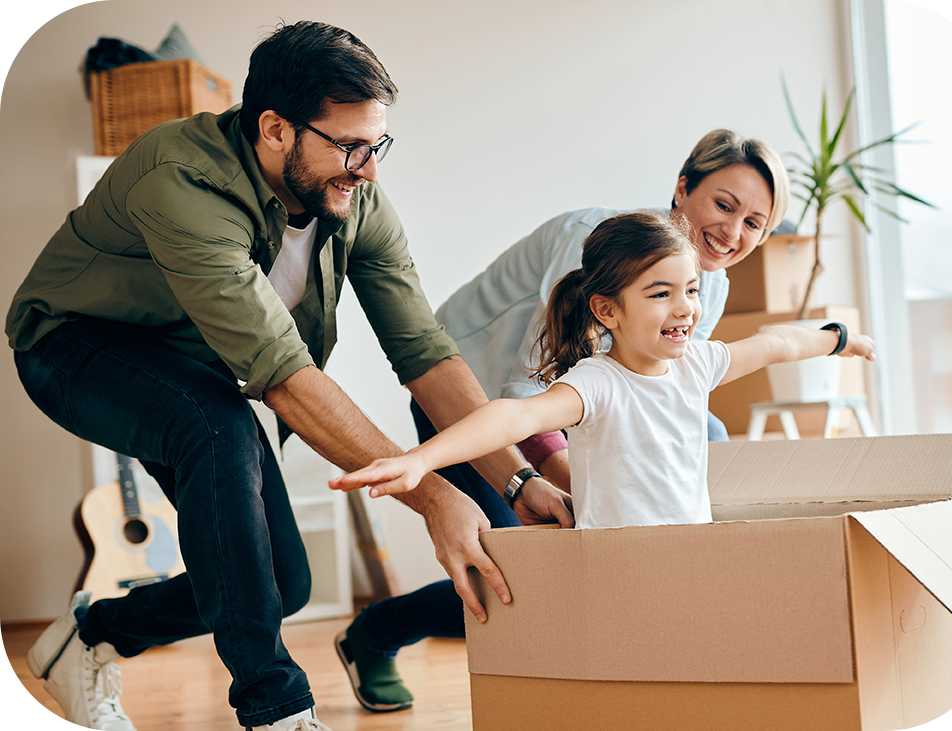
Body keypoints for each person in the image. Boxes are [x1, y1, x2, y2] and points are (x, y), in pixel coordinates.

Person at [7, 21, 571, 731]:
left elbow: (423, 351)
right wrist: (430, 497)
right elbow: (281, 374)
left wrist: (518, 482)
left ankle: (88, 637)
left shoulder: (354, 197)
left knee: (282, 582)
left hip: (193, 368)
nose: (368, 168)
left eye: (377, 144)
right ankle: (277, 709)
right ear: (274, 128)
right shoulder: (179, 178)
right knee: (212, 420)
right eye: (349, 146)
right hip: (69, 343)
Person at [332, 128, 790, 711]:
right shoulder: (592, 243)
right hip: (471, 397)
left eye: (754, 222)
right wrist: (571, 477)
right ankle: (376, 633)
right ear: (682, 188)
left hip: (557, 408)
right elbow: (536, 381)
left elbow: (667, 392)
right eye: (724, 206)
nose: (732, 233)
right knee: (515, 574)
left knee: (711, 437)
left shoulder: (708, 282)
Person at [330, 211, 876, 529]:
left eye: (691, 290)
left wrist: (837, 340)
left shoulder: (698, 364)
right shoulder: (597, 383)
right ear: (607, 310)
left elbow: (774, 343)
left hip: (689, 553)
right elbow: (510, 418)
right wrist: (420, 460)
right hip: (617, 563)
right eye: (660, 294)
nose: (685, 307)